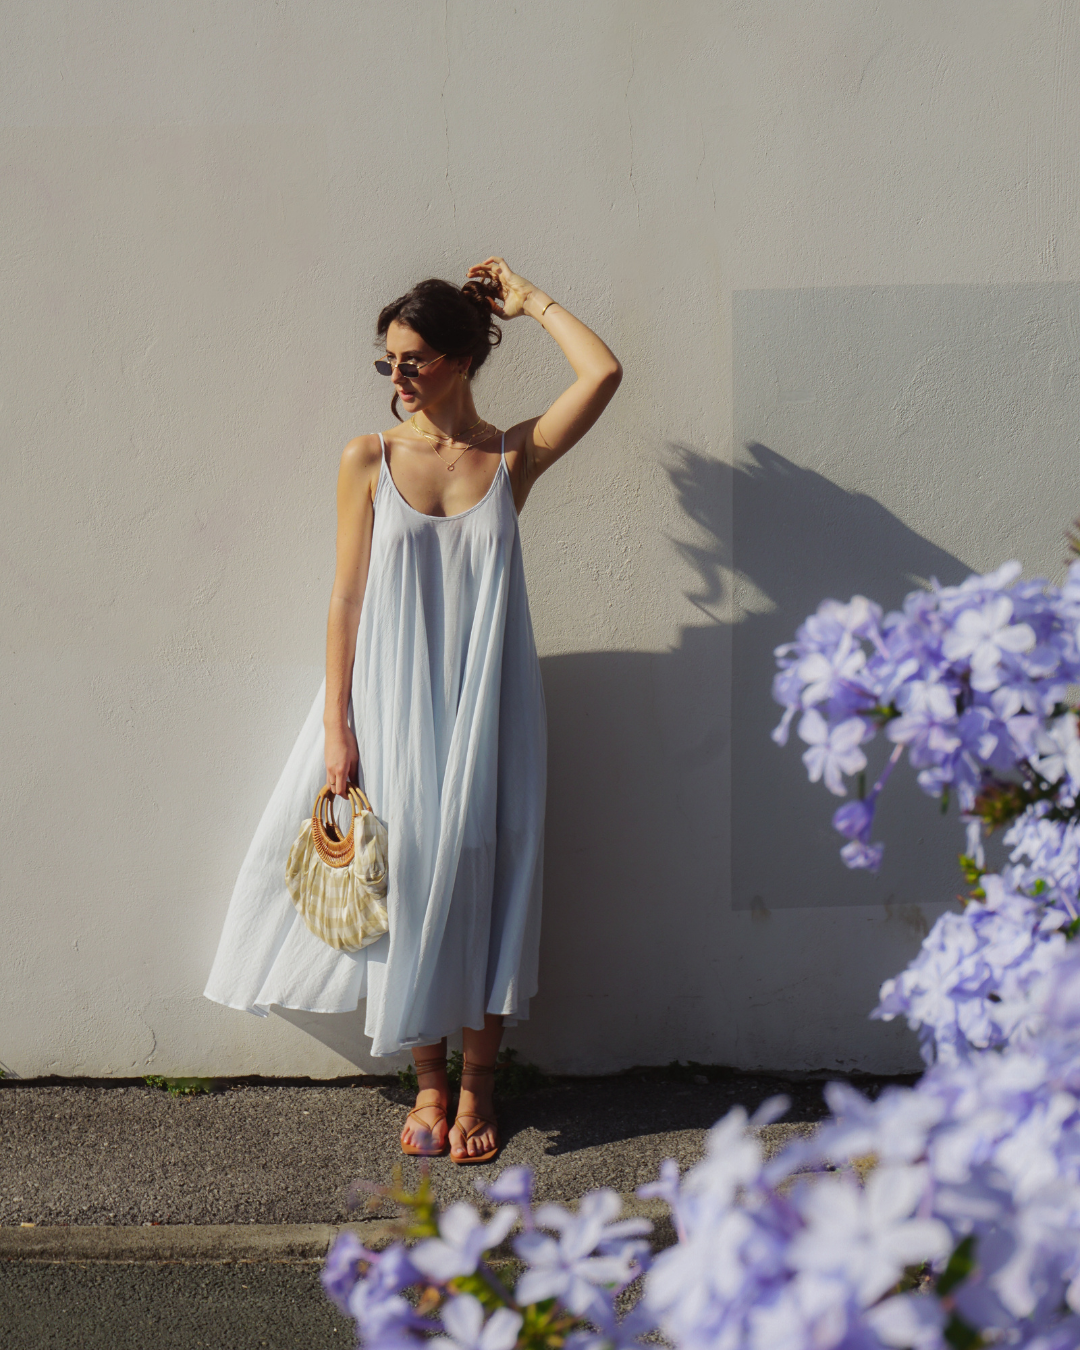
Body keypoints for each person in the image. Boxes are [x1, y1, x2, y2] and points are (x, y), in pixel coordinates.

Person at [204, 257, 622, 1163]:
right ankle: (429, 1084)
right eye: (386, 360)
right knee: (404, 881)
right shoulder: (369, 457)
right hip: (388, 702)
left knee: (482, 879)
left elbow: (603, 374)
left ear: (461, 360)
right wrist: (337, 728)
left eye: (413, 359)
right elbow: (345, 598)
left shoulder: (510, 458)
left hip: (486, 704)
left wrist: (530, 301)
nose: (395, 375)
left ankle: (479, 1091)